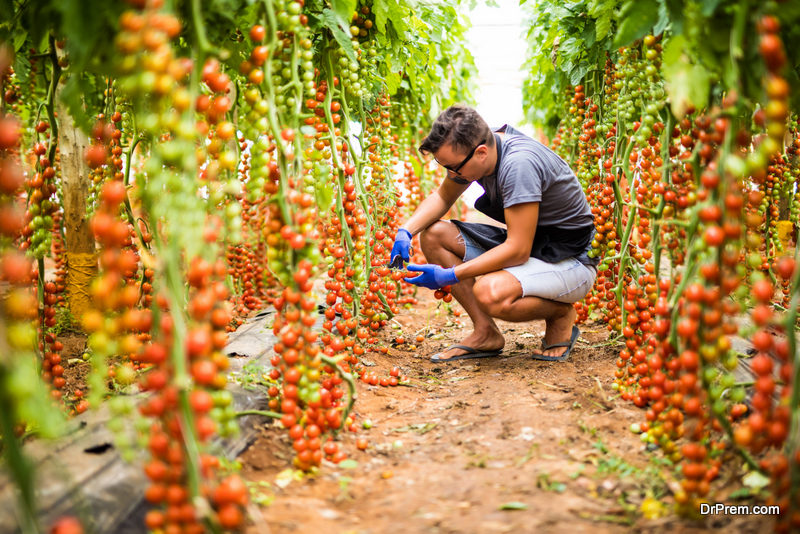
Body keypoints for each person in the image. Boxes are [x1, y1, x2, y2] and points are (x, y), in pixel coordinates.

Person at [390, 104, 598, 362]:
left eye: (454, 167)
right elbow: (443, 196)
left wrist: (451, 274)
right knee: (433, 235)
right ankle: (485, 332)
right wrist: (405, 231)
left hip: (570, 260)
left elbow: (518, 250)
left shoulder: (518, 165)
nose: (452, 175)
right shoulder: (481, 151)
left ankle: (560, 314)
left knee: (489, 293)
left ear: (481, 152)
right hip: (537, 245)